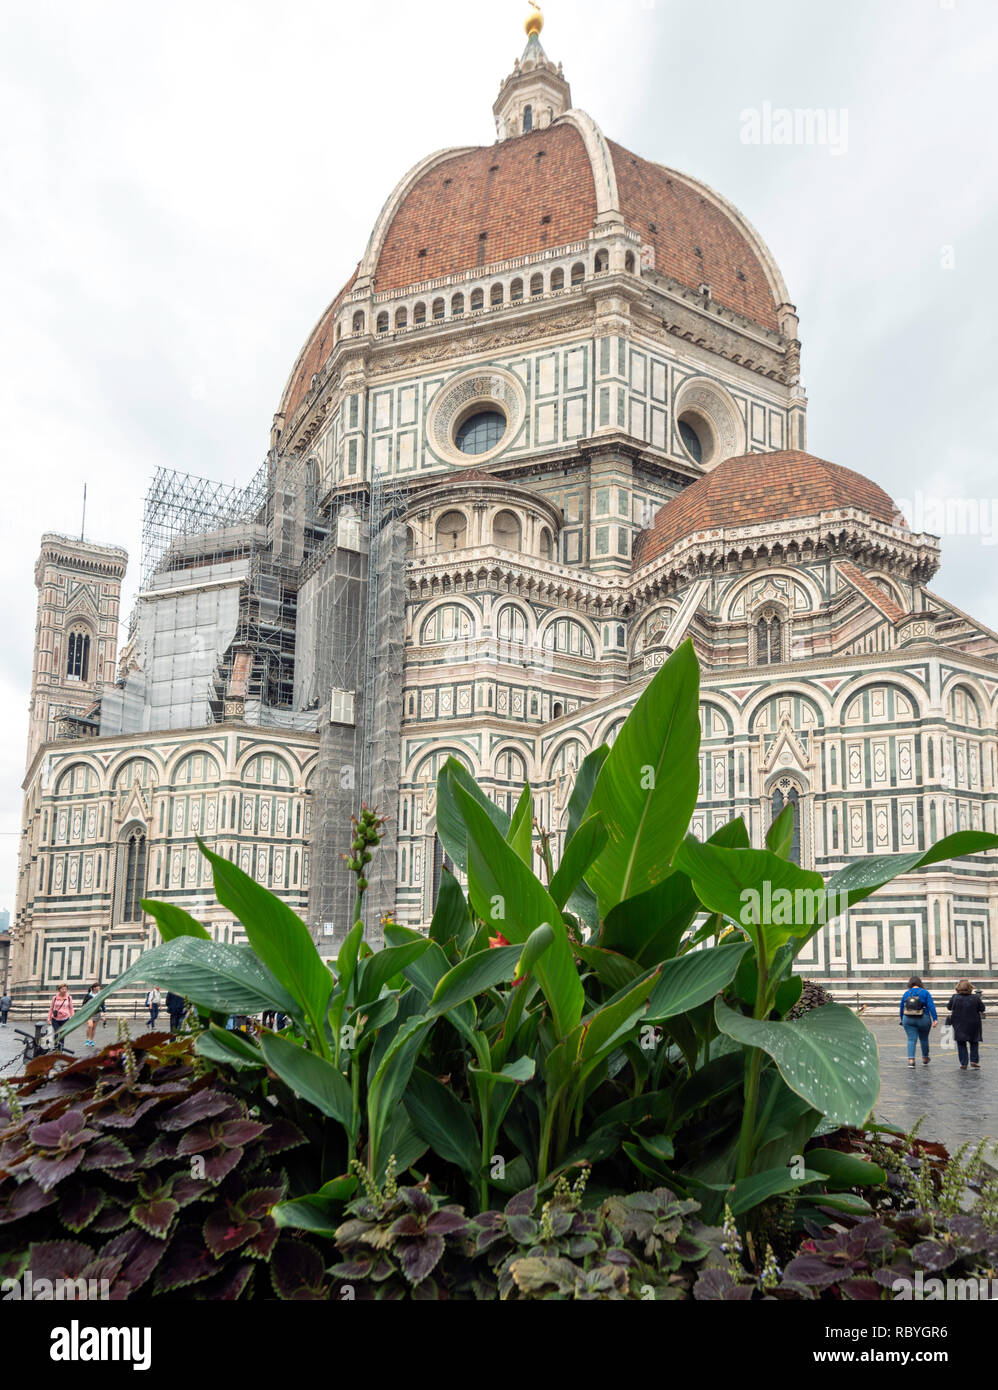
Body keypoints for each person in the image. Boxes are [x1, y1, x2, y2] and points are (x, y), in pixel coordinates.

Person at [899, 974, 938, 1066]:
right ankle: (925, 1058)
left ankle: (911, 1061)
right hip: (923, 1018)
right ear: (920, 983)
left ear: (910, 984)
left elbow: (901, 1008)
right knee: (924, 1039)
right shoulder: (925, 992)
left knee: (911, 1039)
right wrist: (935, 1019)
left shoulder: (906, 993)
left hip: (908, 1018)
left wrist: (902, 1019)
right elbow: (931, 1006)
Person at [947, 978, 985, 1070]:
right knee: (974, 1042)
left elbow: (949, 1007)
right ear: (970, 988)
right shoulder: (975, 997)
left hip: (959, 1023)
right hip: (973, 1024)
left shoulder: (955, 997)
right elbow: (982, 1008)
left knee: (961, 1043)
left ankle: (964, 1063)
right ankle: (974, 1060)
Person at [81, 982, 106, 1047]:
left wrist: (104, 1012)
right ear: (94, 988)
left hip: (97, 1012)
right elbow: (83, 1004)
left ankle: (91, 1040)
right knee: (90, 1026)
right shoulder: (88, 995)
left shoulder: (100, 995)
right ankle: (87, 1040)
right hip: (89, 1013)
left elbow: (103, 1004)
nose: (99, 988)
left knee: (94, 1028)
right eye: (98, 986)